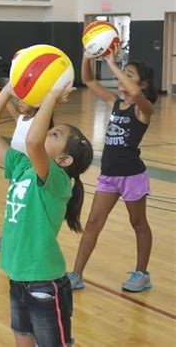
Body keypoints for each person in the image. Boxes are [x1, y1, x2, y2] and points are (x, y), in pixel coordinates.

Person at [0, 81, 93, 347]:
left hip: (44, 283)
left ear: (64, 160)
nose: (45, 134)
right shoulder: (22, 167)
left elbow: (33, 142)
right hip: (18, 276)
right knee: (22, 336)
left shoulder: (58, 181)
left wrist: (51, 96)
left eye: (54, 135)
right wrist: (7, 90)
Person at [68, 49, 158, 292]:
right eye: (121, 74)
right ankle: (76, 274)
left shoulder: (144, 108)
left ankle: (142, 274)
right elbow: (88, 80)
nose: (120, 78)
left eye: (128, 74)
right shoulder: (115, 103)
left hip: (132, 176)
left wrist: (111, 62)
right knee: (94, 221)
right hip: (108, 176)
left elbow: (137, 94)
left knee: (138, 223)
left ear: (144, 82)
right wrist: (87, 56)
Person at [0, 101, 55, 252]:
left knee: (28, 208)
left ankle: (24, 239)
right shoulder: (21, 119)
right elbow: (8, 104)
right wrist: (3, 93)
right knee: (13, 206)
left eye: (25, 100)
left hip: (32, 174)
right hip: (16, 171)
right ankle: (7, 236)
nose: (20, 102)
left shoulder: (39, 122)